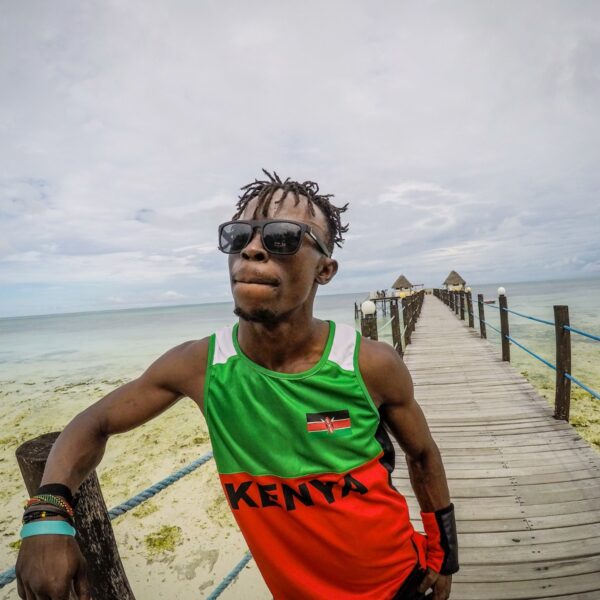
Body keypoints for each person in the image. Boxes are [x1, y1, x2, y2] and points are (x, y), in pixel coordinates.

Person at [16, 171, 458, 600]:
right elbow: (94, 422)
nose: (252, 250)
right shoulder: (201, 366)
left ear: (325, 269)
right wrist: (47, 518)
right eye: (238, 236)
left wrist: (444, 556)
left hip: (399, 583)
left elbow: (423, 455)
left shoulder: (369, 364)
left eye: (282, 237)